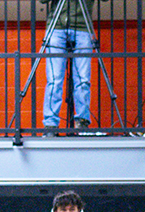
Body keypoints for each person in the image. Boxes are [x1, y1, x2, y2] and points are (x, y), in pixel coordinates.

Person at [39, 0, 99, 130]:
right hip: (56, 27)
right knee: (54, 79)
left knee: (83, 79)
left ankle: (82, 121)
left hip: (83, 26)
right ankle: (50, 123)